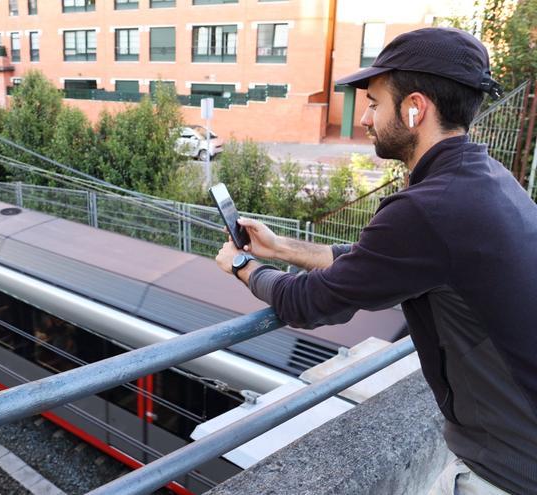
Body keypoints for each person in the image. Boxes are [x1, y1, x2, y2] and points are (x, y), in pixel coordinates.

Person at [215, 27, 536, 495]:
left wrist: (242, 267)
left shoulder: (429, 209)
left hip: (507, 471)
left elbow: (309, 303)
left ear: (415, 108)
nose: (365, 118)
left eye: (374, 103)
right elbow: (372, 262)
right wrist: (280, 248)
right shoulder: (485, 179)